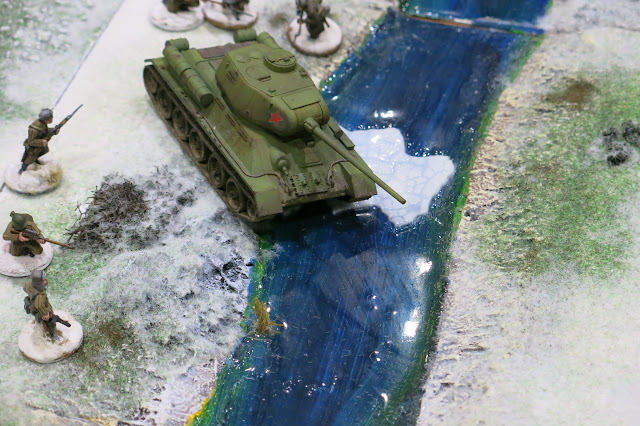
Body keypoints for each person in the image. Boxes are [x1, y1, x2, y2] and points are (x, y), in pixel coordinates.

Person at [20, 108, 59, 174]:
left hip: (39, 145)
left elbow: (44, 131)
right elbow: (31, 141)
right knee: (28, 160)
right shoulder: (34, 129)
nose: (52, 118)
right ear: (47, 119)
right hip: (33, 147)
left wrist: (54, 131)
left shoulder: (42, 123)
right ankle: (21, 170)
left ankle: (35, 160)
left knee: (40, 152)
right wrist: (41, 142)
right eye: (51, 117)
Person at [23, 270, 57, 339]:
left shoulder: (28, 284)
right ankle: (53, 336)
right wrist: (46, 314)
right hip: (40, 311)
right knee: (51, 322)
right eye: (44, 279)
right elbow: (39, 306)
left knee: (40, 321)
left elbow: (24, 288)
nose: (46, 280)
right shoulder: (40, 296)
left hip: (33, 307)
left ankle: (42, 327)